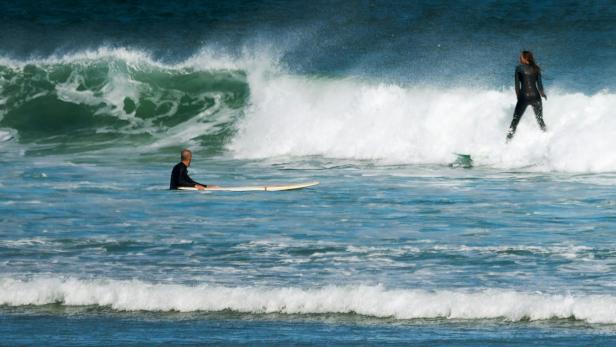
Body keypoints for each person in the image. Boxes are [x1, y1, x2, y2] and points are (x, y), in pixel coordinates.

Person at [506, 50, 547, 142]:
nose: (519, 58)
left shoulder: (518, 68)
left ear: (525, 58)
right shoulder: (536, 68)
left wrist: (519, 98)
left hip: (524, 96)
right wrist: (543, 94)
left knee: (515, 121)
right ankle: (548, 138)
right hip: (536, 96)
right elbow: (540, 86)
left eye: (521, 57)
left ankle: (507, 142)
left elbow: (517, 86)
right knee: (540, 120)